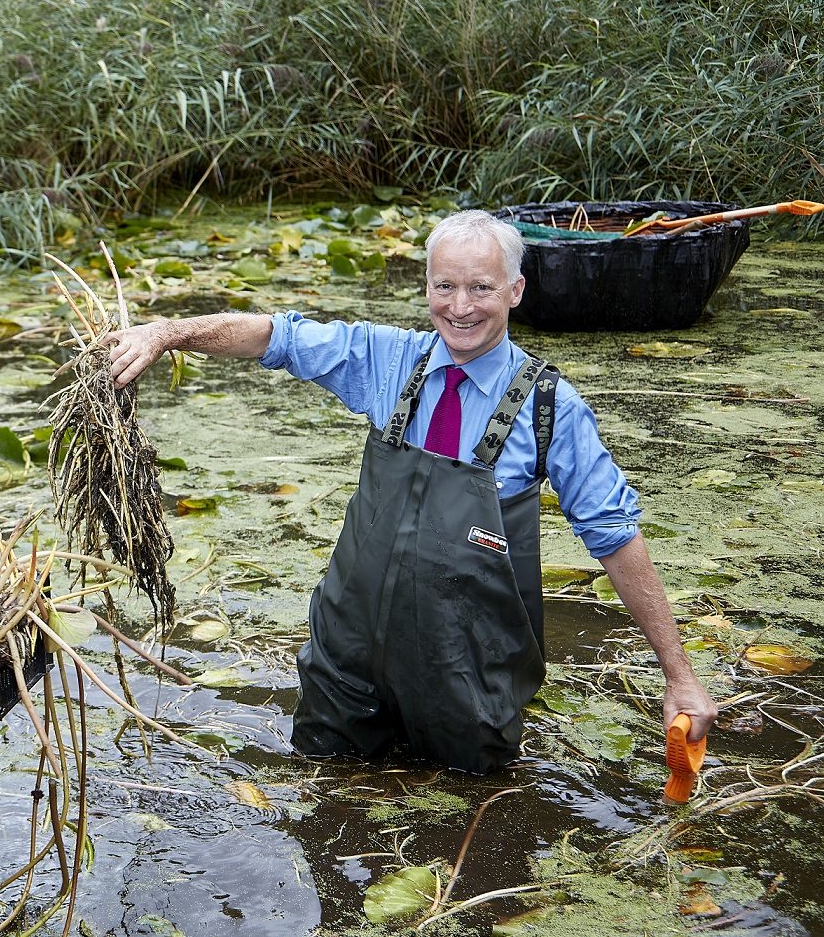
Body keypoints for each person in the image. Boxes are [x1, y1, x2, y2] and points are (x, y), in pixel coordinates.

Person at [105, 209, 716, 774]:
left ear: (515, 291)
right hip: (347, 658)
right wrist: (165, 333)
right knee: (321, 802)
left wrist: (678, 675)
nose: (461, 307)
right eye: (444, 286)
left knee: (477, 819)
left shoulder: (550, 405)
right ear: (426, 287)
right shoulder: (387, 360)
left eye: (481, 288)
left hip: (465, 673)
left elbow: (615, 535)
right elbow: (274, 336)